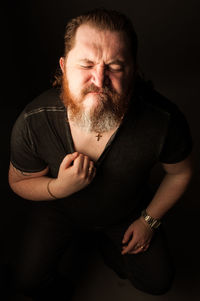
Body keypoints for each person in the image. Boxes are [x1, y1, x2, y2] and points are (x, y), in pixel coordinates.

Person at [8, 8, 193, 300]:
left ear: (134, 71)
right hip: (57, 211)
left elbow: (181, 172)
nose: (100, 79)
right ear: (64, 65)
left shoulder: (163, 121)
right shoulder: (34, 120)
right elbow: (17, 182)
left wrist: (148, 221)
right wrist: (59, 187)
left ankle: (104, 246)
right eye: (86, 64)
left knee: (158, 282)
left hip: (125, 212)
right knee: (27, 283)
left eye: (115, 66)